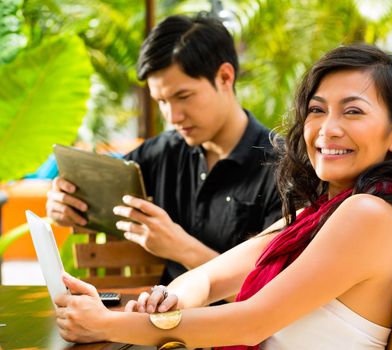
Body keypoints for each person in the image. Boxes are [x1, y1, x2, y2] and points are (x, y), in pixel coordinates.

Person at [54, 43, 392, 349]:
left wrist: (110, 324)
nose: (328, 129)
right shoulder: (318, 213)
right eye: (317, 110)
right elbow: (208, 279)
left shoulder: (368, 215)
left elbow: (252, 321)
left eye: (353, 112)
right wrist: (163, 302)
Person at [45, 14, 282, 283]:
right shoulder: (162, 153)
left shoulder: (281, 168)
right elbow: (92, 190)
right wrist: (62, 204)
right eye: (161, 101)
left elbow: (272, 293)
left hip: (240, 322)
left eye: (183, 96)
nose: (172, 116)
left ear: (225, 77)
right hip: (162, 319)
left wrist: (181, 248)